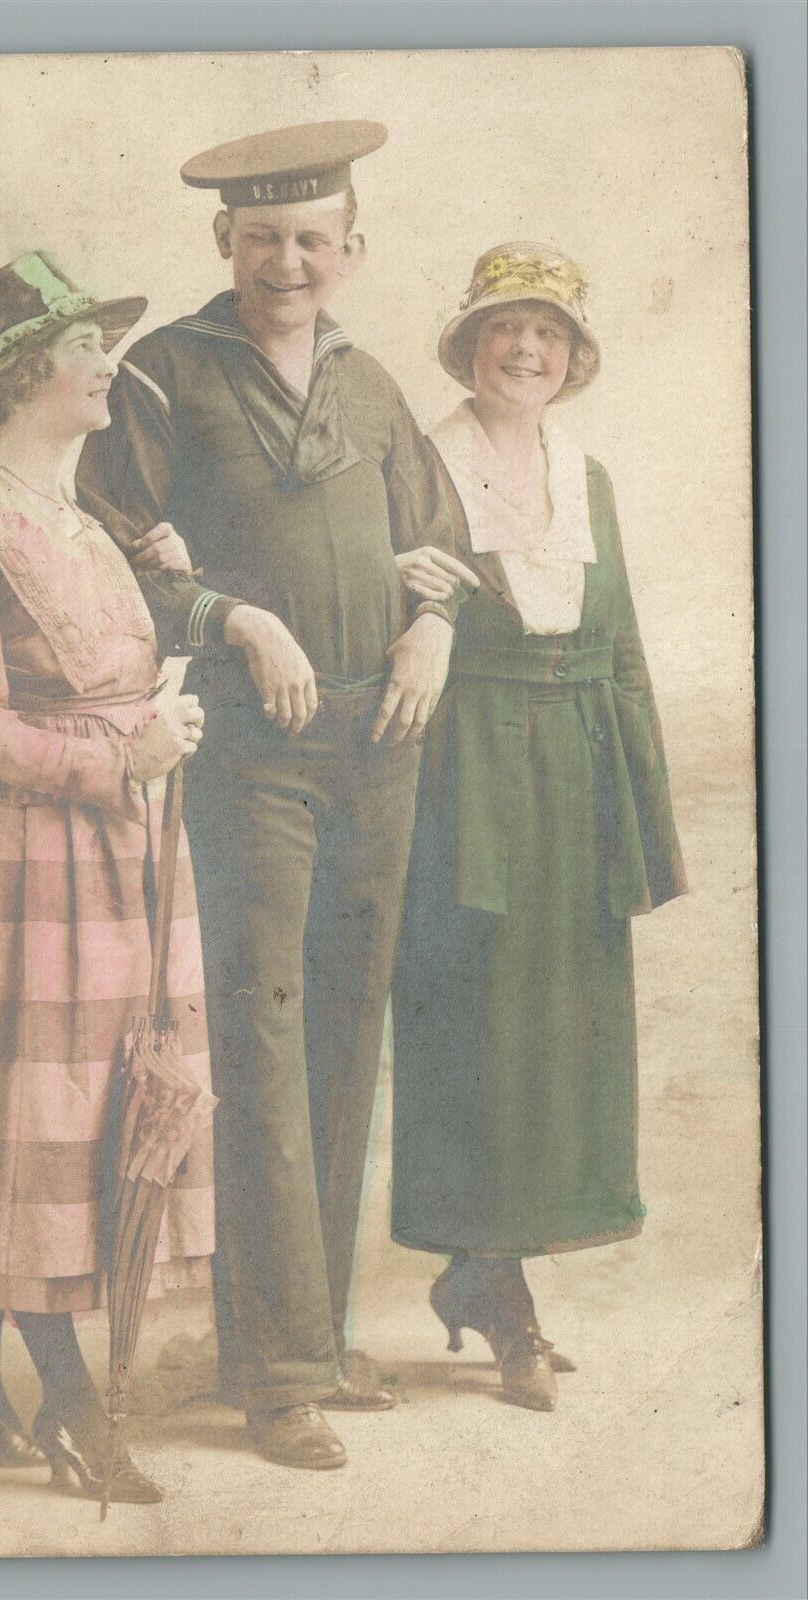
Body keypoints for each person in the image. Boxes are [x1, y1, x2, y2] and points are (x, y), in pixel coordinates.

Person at [77, 122, 477, 1470]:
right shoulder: (161, 376)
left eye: (312, 238)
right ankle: (275, 1371)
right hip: (247, 751)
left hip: (380, 741)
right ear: (222, 246)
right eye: (261, 239)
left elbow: (436, 540)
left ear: (348, 251)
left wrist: (431, 630)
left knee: (342, 1031)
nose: (286, 261)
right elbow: (119, 559)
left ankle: (311, 1333)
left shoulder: (369, 386)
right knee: (259, 1029)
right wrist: (234, 616)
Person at [0, 252, 212, 1503]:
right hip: (23, 871)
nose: (105, 364)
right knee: (44, 1123)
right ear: (24, 375)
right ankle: (73, 1408)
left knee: (84, 1116)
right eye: (85, 345)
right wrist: (122, 759)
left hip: (115, 858)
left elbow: (117, 659)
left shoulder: (84, 519)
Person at [390, 243, 687, 1410]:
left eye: (547, 335)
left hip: (576, 776)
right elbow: (387, 614)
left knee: (565, 1030)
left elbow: (618, 647)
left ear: (571, 358)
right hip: (467, 773)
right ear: (468, 345)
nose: (525, 351)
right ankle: (497, 1285)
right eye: (504, 330)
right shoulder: (422, 464)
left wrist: (641, 820)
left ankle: (487, 1274)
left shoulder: (589, 474)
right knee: (479, 1027)